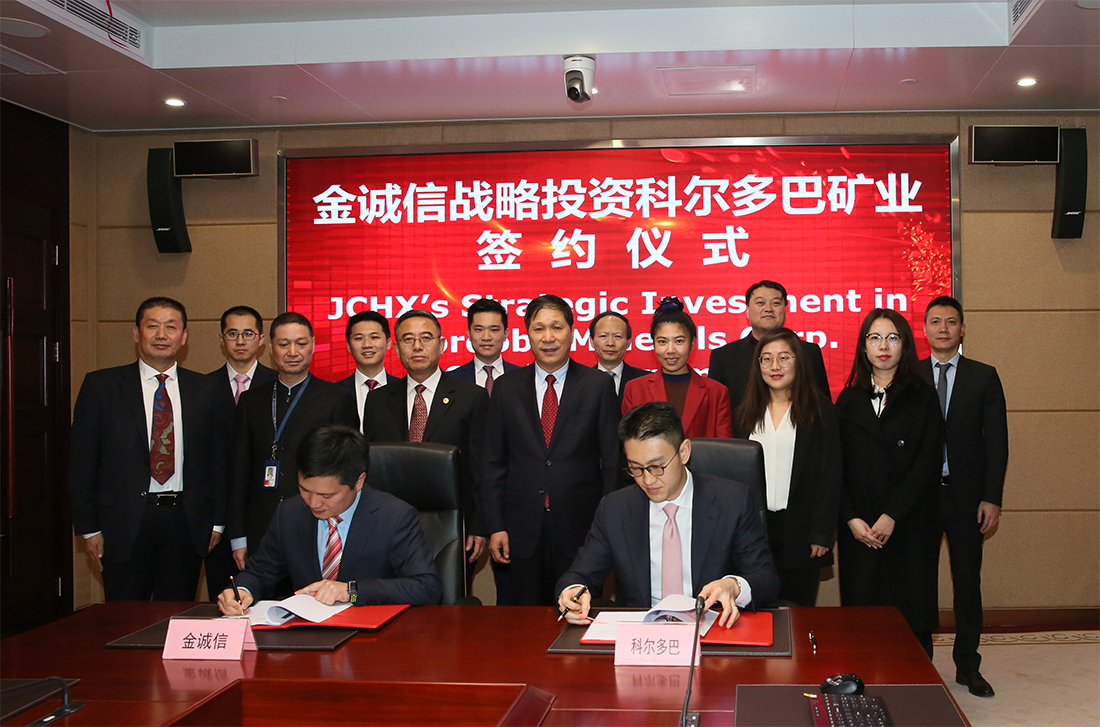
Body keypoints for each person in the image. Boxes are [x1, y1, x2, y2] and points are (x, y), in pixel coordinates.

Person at [556, 401, 779, 625]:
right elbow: (579, 575)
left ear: (684, 452)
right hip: (641, 632)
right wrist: (572, 592)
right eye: (636, 468)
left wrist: (734, 585)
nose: (648, 480)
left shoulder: (732, 501)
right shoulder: (616, 509)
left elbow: (766, 578)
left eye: (657, 467)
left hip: (711, 628)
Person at [69, 297, 231, 600]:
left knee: (178, 613)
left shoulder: (207, 389)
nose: (161, 335)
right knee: (124, 616)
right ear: (136, 333)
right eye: (152, 326)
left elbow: (220, 461)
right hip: (123, 521)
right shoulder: (101, 386)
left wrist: (219, 521)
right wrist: (89, 528)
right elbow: (82, 462)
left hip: (187, 521)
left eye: (171, 327)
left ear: (184, 336)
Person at [483, 294, 621, 606]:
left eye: (557, 328)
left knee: (580, 616)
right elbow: (493, 463)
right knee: (524, 622)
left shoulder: (598, 385)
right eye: (539, 328)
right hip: (520, 529)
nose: (548, 337)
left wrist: (607, 527)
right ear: (527, 334)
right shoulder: (506, 388)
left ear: (572, 333)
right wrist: (496, 527)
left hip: (582, 530)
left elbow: (612, 463)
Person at [218, 424, 441, 613]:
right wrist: (241, 591)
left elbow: (426, 587)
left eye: (326, 496)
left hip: (370, 636)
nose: (313, 503)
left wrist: (352, 591)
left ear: (359, 482)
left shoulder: (394, 517)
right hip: (309, 635)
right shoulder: (290, 513)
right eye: (305, 490)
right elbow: (261, 571)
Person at [835, 308, 943, 659]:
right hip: (860, 527)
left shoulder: (923, 396)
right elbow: (837, 467)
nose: (883, 346)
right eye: (875, 338)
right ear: (863, 347)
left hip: (908, 522)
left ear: (905, 345)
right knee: (863, 619)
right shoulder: (848, 399)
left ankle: (918, 684)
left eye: (892, 338)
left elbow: (927, 463)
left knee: (911, 615)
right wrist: (850, 517)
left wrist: (892, 515)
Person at [922, 296, 1008, 698]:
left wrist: (992, 497)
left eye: (951, 322)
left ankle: (968, 666)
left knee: (967, 586)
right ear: (924, 329)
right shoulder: (910, 374)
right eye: (935, 321)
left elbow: (997, 442)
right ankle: (919, 661)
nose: (943, 328)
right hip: (920, 500)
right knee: (919, 584)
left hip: (968, 499)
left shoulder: (984, 376)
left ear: (962, 329)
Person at [228, 312, 359, 572]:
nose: (292, 352)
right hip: (261, 525)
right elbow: (239, 470)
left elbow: (346, 471)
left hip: (315, 521)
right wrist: (238, 536)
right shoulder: (251, 400)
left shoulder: (336, 398)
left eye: (301, 343)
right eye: (284, 344)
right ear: (270, 347)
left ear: (313, 345)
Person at [362, 309, 490, 572]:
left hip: (453, 525)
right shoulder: (377, 400)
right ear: (396, 348)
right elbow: (370, 468)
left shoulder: (471, 397)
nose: (417, 346)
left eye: (426, 338)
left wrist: (479, 525)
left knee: (449, 594)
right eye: (408, 339)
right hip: (389, 525)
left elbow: (481, 468)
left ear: (441, 345)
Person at [732, 327, 841, 607]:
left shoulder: (821, 412)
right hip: (754, 531)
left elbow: (830, 477)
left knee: (797, 612)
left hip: (802, 532)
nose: (775, 366)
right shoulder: (744, 414)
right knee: (756, 610)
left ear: (798, 362)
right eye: (766, 359)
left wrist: (821, 534)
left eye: (783, 358)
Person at [204, 305, 278, 597]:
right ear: (222, 339)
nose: (240, 341)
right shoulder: (202, 387)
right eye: (232, 334)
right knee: (223, 596)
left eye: (248, 334)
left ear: (261, 339)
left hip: (265, 509)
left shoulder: (280, 384)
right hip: (217, 514)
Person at [709, 280, 830, 414]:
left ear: (785, 310)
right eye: (760, 303)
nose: (768, 309)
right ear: (747, 311)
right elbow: (714, 412)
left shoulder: (809, 352)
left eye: (776, 303)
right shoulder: (723, 357)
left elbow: (824, 407)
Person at [622, 296, 732, 438]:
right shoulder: (635, 389)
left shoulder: (716, 392)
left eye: (679, 341)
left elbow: (724, 446)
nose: (670, 350)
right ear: (653, 344)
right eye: (662, 342)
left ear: (692, 343)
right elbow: (629, 442)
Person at [449, 297, 520, 392]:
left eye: (494, 330)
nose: (486, 337)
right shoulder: (452, 379)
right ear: (469, 333)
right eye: (479, 330)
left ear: (505, 334)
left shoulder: (523, 378)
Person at [336, 311, 391, 430]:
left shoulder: (405, 390)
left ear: (388, 343)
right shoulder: (334, 393)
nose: (367, 344)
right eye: (359, 338)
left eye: (374, 337)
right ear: (348, 346)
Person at [589, 310, 647, 406]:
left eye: (618, 336)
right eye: (603, 336)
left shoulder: (644, 382)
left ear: (628, 342)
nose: (610, 343)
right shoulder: (581, 383)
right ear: (592, 341)